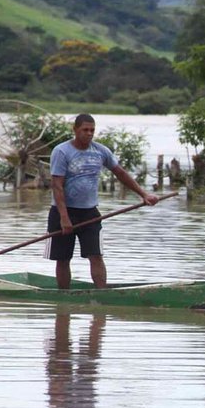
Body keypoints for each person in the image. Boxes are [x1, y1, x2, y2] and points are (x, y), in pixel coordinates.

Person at [44, 113, 158, 289]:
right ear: (75, 130)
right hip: (63, 212)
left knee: (96, 255)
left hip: (89, 213)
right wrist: (64, 218)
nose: (89, 134)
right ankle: (63, 300)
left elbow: (120, 173)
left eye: (92, 130)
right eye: (85, 130)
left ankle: (102, 294)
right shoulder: (62, 151)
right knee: (63, 258)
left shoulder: (100, 151)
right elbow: (57, 186)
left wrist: (144, 194)